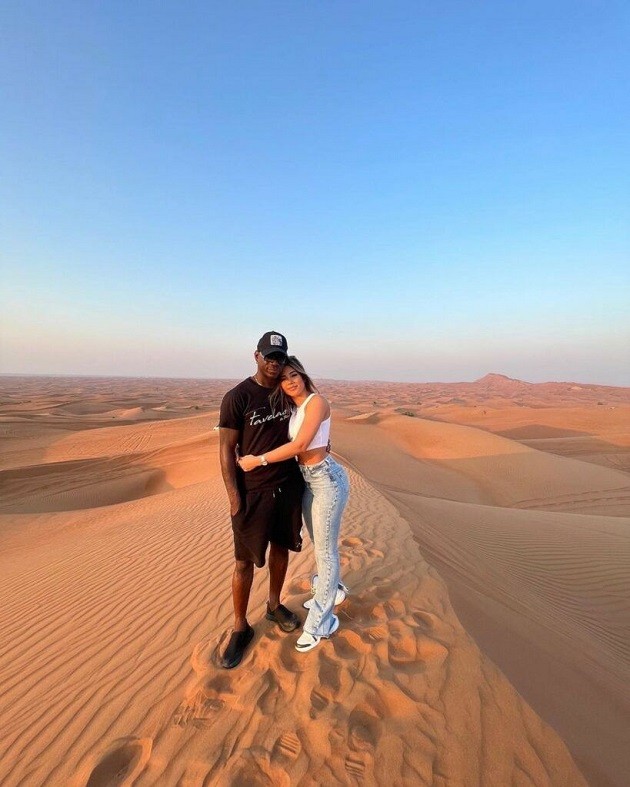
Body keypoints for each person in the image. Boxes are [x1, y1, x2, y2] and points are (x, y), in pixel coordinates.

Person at [239, 356, 349, 653]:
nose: (289, 380)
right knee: (320, 545)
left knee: (326, 554)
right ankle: (333, 590)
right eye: (283, 378)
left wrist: (257, 460)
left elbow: (300, 445)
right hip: (308, 480)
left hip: (326, 480)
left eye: (293, 374)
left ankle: (320, 623)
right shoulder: (296, 407)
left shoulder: (316, 402)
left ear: (302, 374)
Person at [218, 332, 304, 669]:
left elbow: (308, 423)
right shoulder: (237, 396)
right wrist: (233, 496)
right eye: (268, 355)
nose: (273, 362)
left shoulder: (288, 391)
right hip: (251, 492)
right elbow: (226, 449)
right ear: (256, 356)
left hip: (288, 486)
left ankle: (273, 605)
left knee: (282, 549)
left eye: (279, 357)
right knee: (244, 562)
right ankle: (240, 626)